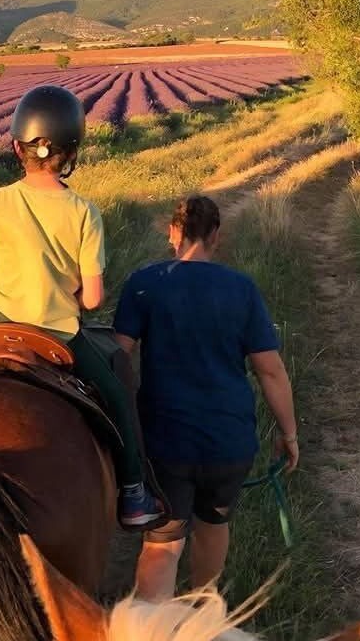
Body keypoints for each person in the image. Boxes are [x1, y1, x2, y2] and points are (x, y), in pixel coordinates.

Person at [0, 84, 164, 529]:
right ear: (72, 152)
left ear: (15, 147)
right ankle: (133, 494)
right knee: (117, 399)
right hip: (58, 334)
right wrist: (74, 300)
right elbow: (94, 298)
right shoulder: (84, 212)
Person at [111, 195, 299, 601]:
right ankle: (200, 611)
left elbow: (118, 356)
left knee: (163, 542)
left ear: (172, 234)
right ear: (216, 235)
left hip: (164, 440)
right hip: (229, 441)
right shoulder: (242, 289)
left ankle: (150, 625)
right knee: (213, 527)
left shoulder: (145, 283)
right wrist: (289, 433)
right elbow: (270, 369)